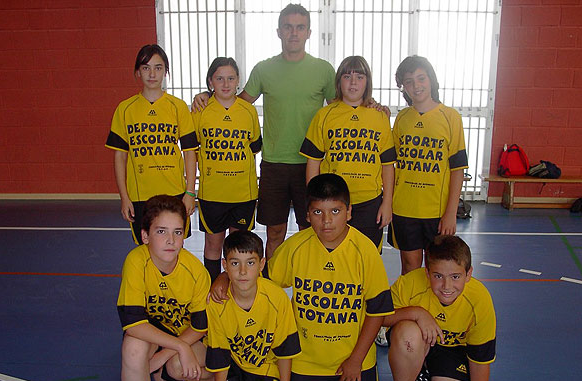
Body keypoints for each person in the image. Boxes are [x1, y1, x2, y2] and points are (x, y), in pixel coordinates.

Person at [211, 173, 394, 381]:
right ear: (307, 215)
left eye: (336, 212)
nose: (327, 221)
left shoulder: (365, 251)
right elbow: (256, 276)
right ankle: (247, 377)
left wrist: (356, 359)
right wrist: (224, 276)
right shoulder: (295, 247)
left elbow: (377, 311)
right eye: (318, 212)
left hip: (351, 356)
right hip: (305, 357)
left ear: (349, 212)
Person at [193, 4, 336, 260]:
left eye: (299, 27)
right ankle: (272, 289)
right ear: (279, 31)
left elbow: (341, 109)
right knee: (275, 232)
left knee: (310, 229)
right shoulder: (264, 69)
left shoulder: (323, 70)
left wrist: (369, 103)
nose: (294, 33)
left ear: (309, 32)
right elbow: (237, 102)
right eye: (288, 27)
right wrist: (207, 95)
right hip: (273, 164)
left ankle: (307, 284)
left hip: (312, 164)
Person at [117, 195, 211, 381]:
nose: (171, 240)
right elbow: (134, 324)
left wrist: (171, 351)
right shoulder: (136, 262)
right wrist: (178, 348)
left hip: (181, 336)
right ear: (145, 235)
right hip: (149, 335)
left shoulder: (195, 272)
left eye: (177, 232)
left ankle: (149, 372)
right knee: (133, 348)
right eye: (161, 231)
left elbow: (200, 326)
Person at [384, 235, 498, 381]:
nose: (446, 285)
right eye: (438, 276)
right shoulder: (410, 283)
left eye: (455, 277)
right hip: (417, 338)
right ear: (427, 272)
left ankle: (425, 368)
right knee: (408, 335)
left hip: (452, 350)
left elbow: (480, 360)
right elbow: (381, 316)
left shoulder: (479, 300)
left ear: (469, 274)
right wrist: (417, 313)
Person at [205, 231, 301, 381]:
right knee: (184, 367)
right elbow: (220, 353)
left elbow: (285, 353)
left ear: (262, 264)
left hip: (263, 367)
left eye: (250, 263)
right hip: (234, 362)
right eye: (234, 263)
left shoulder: (277, 298)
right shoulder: (217, 304)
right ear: (224, 265)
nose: (242, 271)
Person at [301, 55, 396, 252]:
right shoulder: (325, 115)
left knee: (367, 258)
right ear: (338, 82)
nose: (353, 82)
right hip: (333, 202)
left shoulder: (379, 116)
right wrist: (314, 200)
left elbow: (387, 165)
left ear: (367, 82)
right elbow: (313, 163)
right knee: (333, 256)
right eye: (347, 76)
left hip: (369, 201)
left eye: (359, 77)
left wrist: (387, 203)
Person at [106, 44, 199, 244]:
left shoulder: (178, 107)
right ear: (138, 72)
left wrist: (190, 192)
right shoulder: (125, 109)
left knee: (173, 247)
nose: (152, 74)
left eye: (158, 67)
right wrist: (124, 197)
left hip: (174, 193)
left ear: (166, 71)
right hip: (140, 196)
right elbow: (120, 156)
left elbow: (190, 152)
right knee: (145, 249)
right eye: (146, 67)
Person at [388, 55, 468, 274]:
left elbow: (457, 169)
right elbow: (392, 165)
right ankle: (411, 308)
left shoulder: (450, 117)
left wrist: (451, 211)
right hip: (404, 207)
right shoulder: (402, 118)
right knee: (410, 267)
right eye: (409, 81)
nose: (416, 85)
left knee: (437, 268)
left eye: (421, 78)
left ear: (431, 79)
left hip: (436, 210)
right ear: (403, 87)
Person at [191, 57, 262, 283]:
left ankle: (237, 289)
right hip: (212, 192)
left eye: (231, 78)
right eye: (219, 78)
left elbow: (255, 146)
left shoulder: (248, 111)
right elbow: (191, 149)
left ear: (238, 81)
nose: (225, 83)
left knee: (239, 245)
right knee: (213, 243)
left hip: (243, 193)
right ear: (210, 81)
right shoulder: (200, 110)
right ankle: (212, 290)